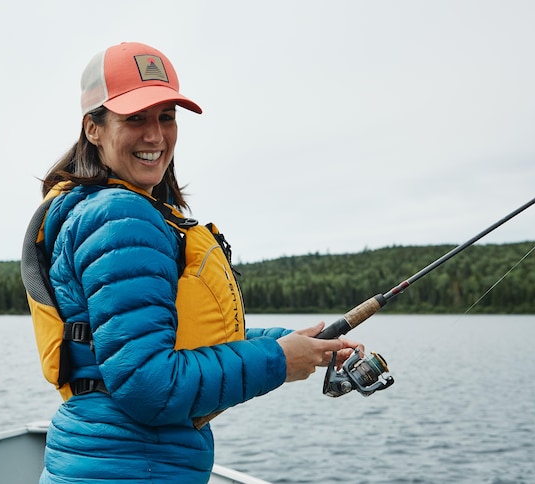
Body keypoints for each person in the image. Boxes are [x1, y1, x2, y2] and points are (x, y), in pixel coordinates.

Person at [23, 41, 364, 483]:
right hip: (133, 467)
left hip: (107, 459)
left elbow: (168, 339)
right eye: (135, 118)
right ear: (93, 128)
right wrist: (277, 361)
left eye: (166, 116)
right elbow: (149, 383)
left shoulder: (92, 207)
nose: (155, 135)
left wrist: (294, 343)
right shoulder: (122, 217)